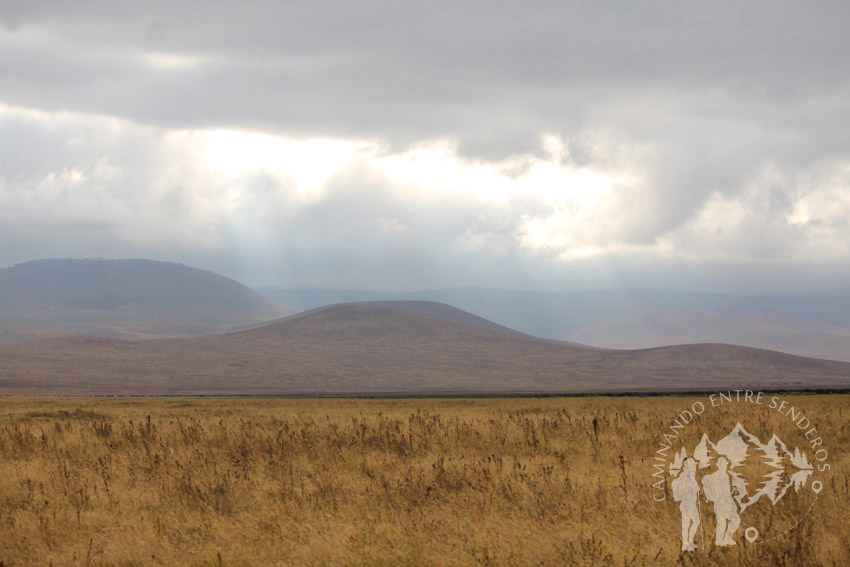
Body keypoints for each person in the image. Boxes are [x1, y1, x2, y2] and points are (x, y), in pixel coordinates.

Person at [701, 456, 741, 546]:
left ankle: (727, 538)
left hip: (727, 503)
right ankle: (719, 541)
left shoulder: (726, 476)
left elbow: (725, 492)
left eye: (725, 464)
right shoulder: (715, 476)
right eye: (722, 464)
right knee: (722, 523)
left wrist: (732, 493)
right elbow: (705, 480)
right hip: (720, 503)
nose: (724, 466)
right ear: (718, 465)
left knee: (735, 520)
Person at [671, 457, 700, 551]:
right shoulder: (684, 477)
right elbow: (684, 490)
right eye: (693, 465)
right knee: (687, 523)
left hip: (692, 503)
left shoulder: (691, 476)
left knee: (694, 521)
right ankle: (686, 543)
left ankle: (689, 542)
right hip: (687, 504)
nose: (695, 467)